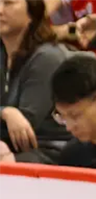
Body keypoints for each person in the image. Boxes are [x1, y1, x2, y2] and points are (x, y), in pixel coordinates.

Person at [0, 0, 70, 162]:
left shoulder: (47, 57)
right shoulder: (2, 53)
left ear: (32, 12)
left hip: (48, 150)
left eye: (9, 3)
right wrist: (5, 112)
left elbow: (24, 128)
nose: (0, 10)